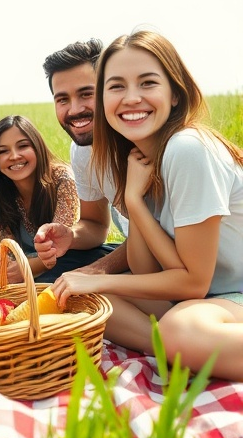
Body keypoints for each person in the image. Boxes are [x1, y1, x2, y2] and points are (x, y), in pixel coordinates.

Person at [40, 30, 243, 381]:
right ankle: (184, 348)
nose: (131, 98)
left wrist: (100, 279)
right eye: (117, 87)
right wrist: (134, 201)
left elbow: (193, 283)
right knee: (76, 300)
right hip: (199, 294)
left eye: (147, 83)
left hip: (228, 290)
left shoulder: (187, 149)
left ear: (175, 93)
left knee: (179, 329)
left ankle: (184, 344)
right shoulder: (134, 155)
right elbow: (146, 268)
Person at [35, 39, 129, 274]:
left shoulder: (144, 146)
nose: (74, 109)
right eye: (62, 99)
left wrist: (95, 272)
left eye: (86, 94)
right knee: (55, 274)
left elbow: (157, 241)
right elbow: (96, 224)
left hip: (203, 273)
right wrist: (71, 236)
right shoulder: (82, 150)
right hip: (143, 257)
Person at [0, 115, 83, 283]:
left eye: (22, 146)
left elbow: (58, 247)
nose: (14, 156)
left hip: (70, 267)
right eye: (3, 151)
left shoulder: (62, 179)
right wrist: (1, 263)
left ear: (37, 147)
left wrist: (26, 268)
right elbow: (7, 250)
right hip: (29, 278)